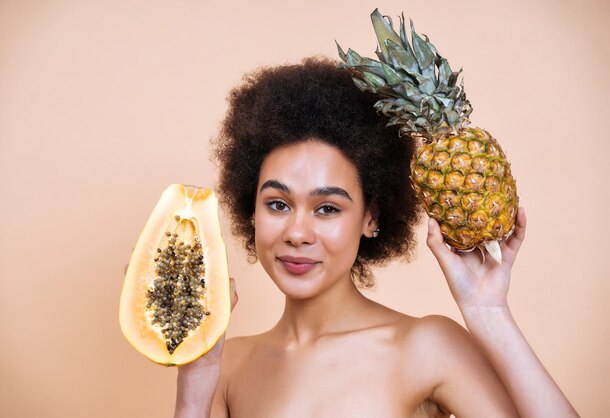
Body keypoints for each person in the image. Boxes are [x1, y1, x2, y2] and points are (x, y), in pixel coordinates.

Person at [174, 57, 579, 417]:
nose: (297, 233)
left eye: (327, 208)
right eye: (278, 204)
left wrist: (489, 312)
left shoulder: (426, 348)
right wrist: (197, 376)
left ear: (371, 218)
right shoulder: (229, 367)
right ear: (252, 210)